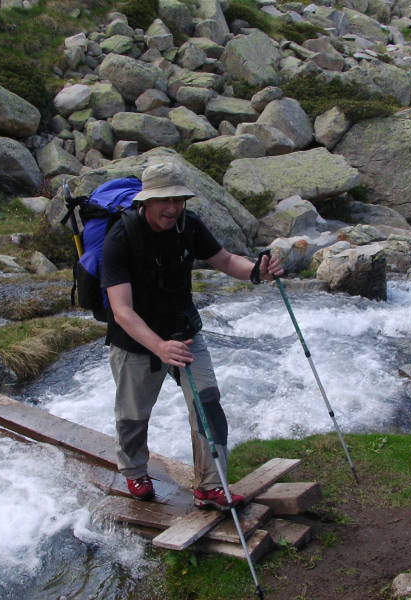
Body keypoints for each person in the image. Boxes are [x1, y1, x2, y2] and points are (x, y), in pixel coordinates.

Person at [100, 162, 283, 509]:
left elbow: (227, 261)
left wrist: (258, 272)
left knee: (208, 402)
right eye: (163, 201)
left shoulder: (190, 226)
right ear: (146, 201)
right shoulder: (120, 238)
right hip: (136, 341)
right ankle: (135, 470)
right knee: (133, 414)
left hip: (184, 333)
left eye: (178, 199)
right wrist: (158, 346)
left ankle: (211, 485)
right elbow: (121, 310)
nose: (172, 208)